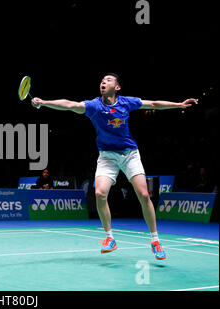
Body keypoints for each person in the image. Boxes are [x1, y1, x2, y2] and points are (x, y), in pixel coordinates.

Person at [31, 73, 198, 260]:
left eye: (108, 80)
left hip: (129, 154)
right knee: (99, 193)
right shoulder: (95, 106)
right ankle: (110, 238)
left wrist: (178, 105)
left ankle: (155, 240)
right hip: (107, 156)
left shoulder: (126, 102)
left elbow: (153, 104)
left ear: (117, 87)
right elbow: (71, 105)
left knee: (143, 194)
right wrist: (44, 102)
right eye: (102, 80)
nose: (103, 82)